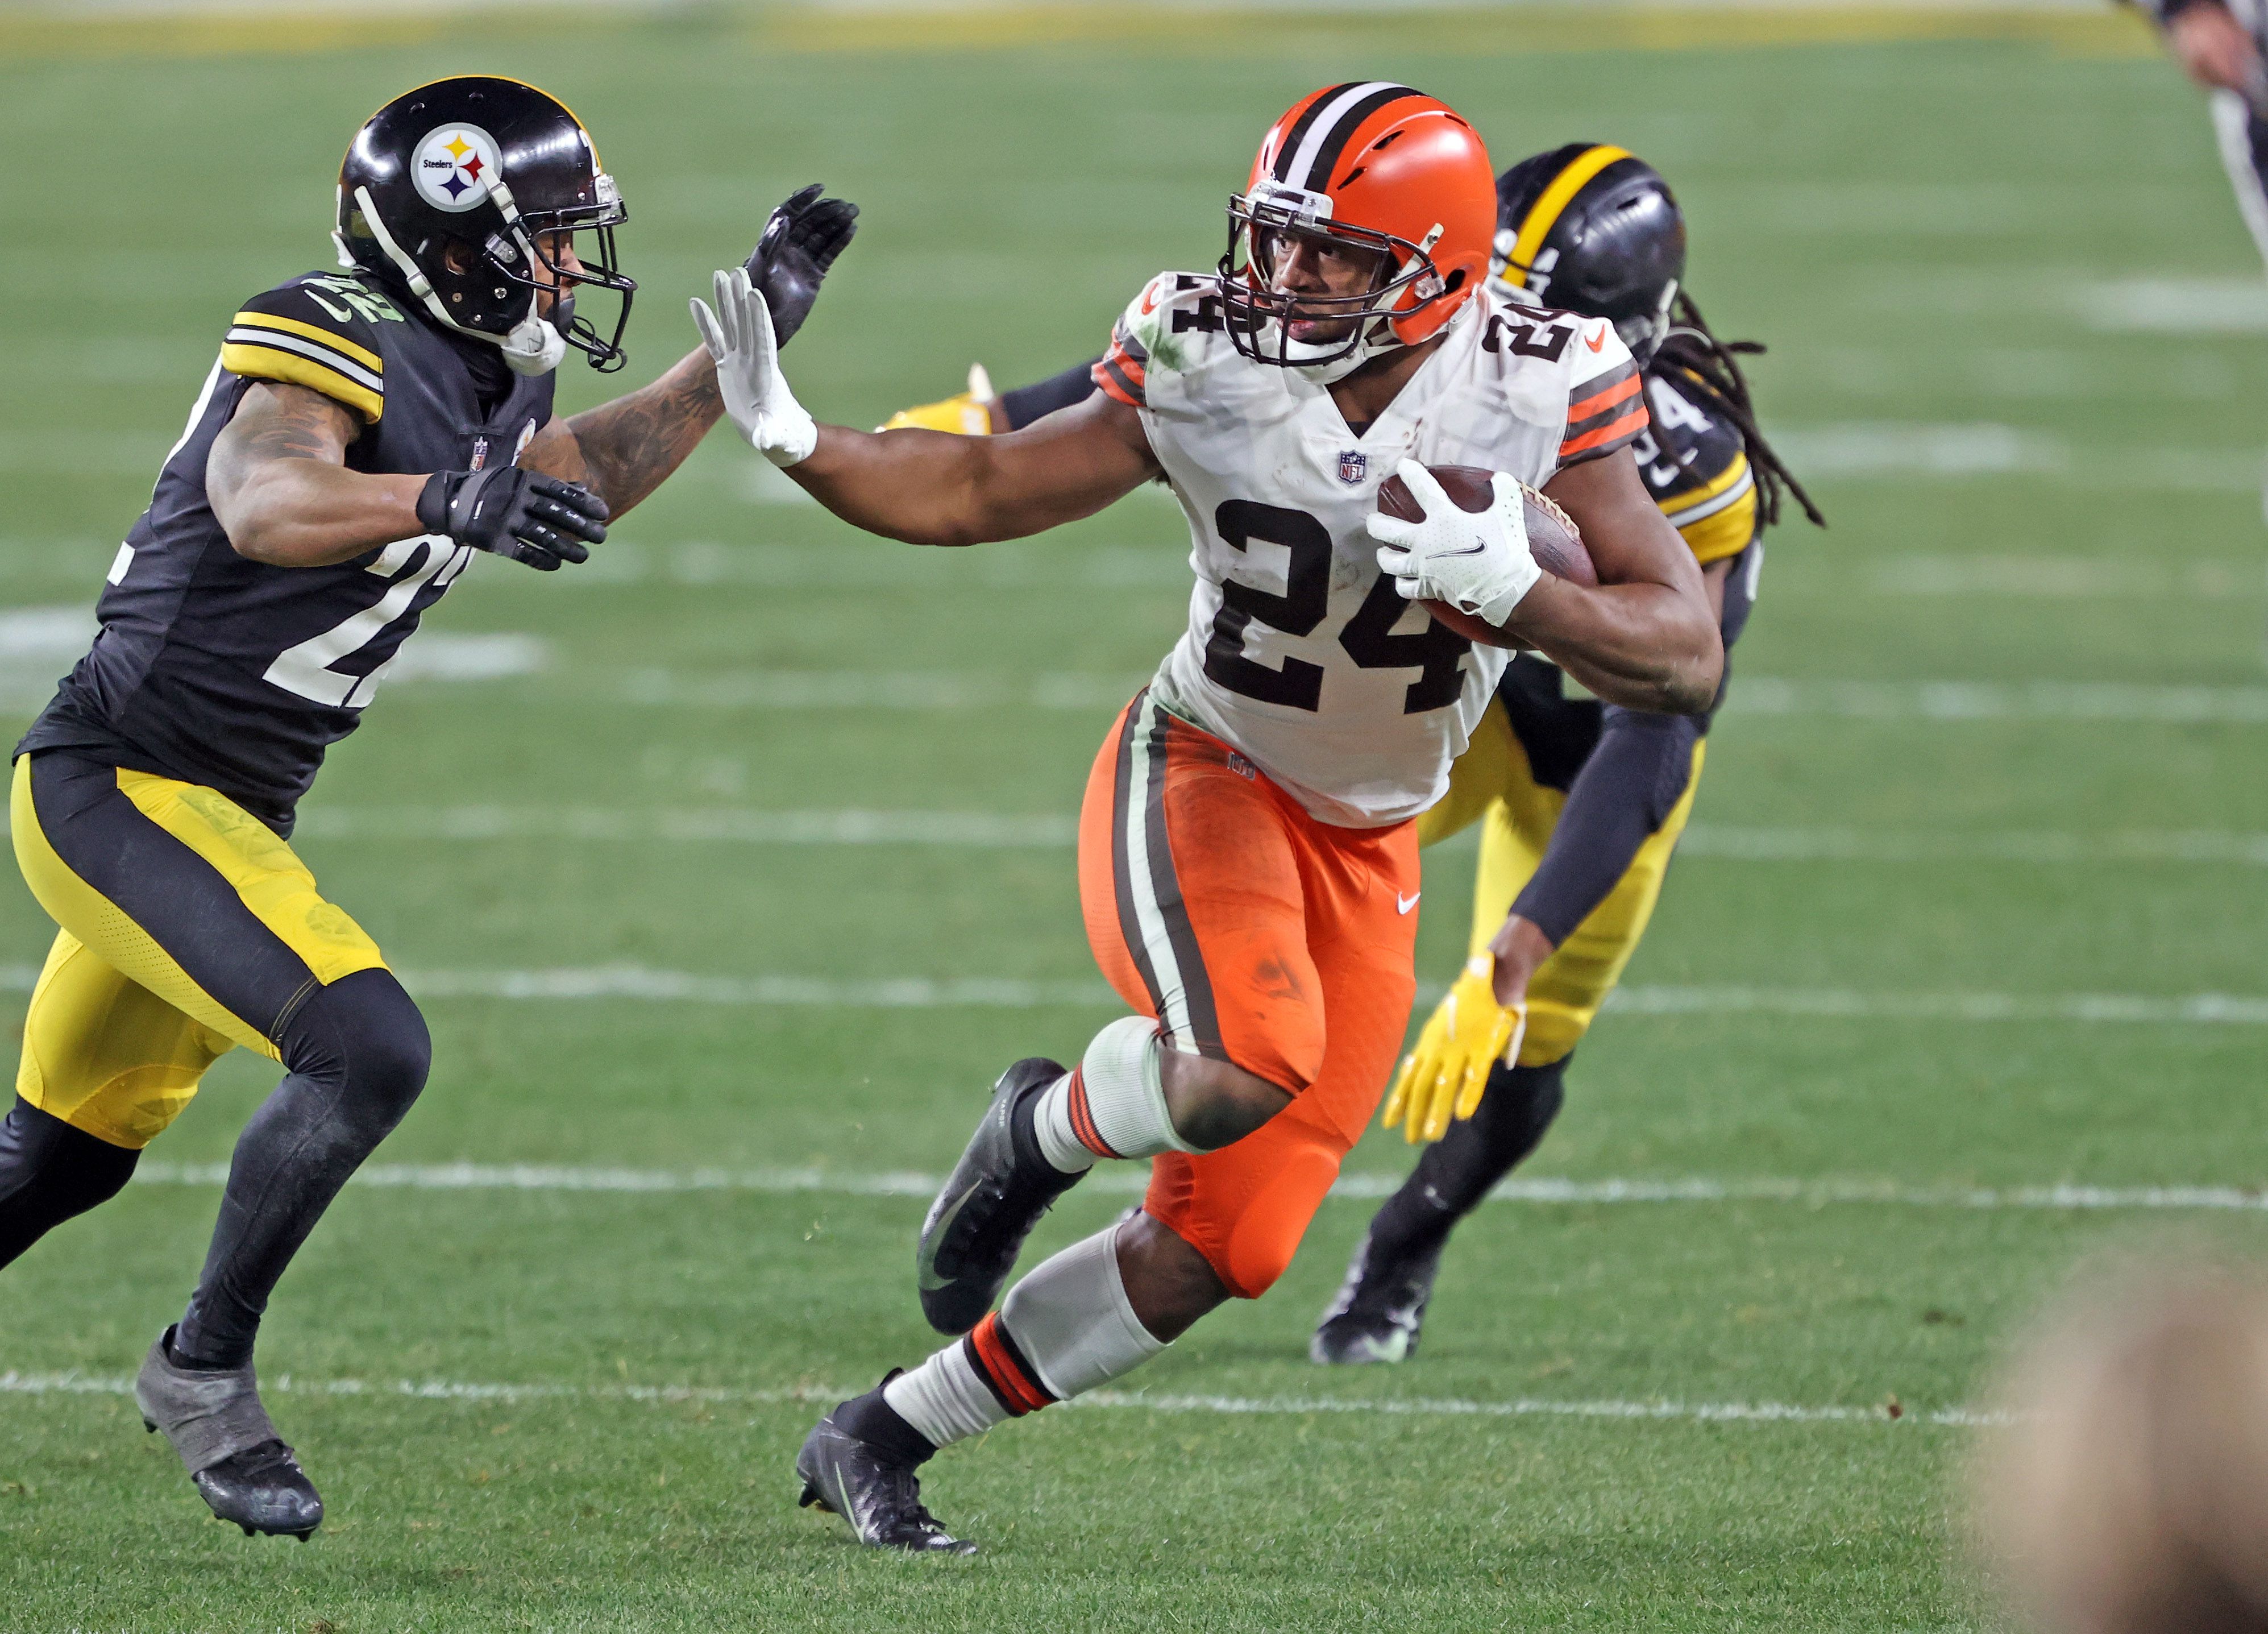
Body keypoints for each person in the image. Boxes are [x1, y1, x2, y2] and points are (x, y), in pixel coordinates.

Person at [695, 82, 1723, 1552]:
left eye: (1329, 257)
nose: (1282, 281)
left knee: (1223, 1249)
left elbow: (1678, 653)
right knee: (1245, 1060)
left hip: (1368, 833)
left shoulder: (1540, 378)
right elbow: (990, 483)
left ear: (1431, 263)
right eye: (1275, 242)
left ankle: (878, 1431)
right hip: (1208, 764)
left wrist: (1520, 597)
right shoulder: (1201, 345)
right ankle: (1044, 1127)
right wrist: (800, 438)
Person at [0, 74, 855, 1540]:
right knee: (366, 1045)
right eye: (549, 237)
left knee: (54, 1168)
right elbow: (266, 496)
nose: (577, 268)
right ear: (452, 239)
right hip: (122, 782)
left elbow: (568, 477)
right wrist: (438, 505)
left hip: (227, 812)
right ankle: (202, 1368)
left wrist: (731, 367)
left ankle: (188, 1349)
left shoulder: (487, 360)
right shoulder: (325, 330)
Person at [884, 143, 1823, 1367]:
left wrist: (1517, 948)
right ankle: (1124, 1093)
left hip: (1588, 747)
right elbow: (1204, 372)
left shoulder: (1683, 461)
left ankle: (1400, 1253)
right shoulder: (1425, 337)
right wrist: (995, 426)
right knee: (1254, 880)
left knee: (1524, 1042)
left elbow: (1661, 715)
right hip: (1436, 711)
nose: (1494, 332)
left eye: (1531, 309)